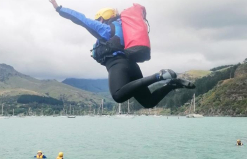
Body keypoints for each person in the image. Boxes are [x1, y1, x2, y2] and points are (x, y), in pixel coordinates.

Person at [49, 0, 196, 108]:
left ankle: (159, 76)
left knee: (118, 95)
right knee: (148, 102)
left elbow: (81, 20)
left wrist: (58, 8)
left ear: (103, 18)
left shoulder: (106, 29)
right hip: (131, 66)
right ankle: (172, 84)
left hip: (117, 65)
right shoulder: (124, 29)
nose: (97, 21)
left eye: (98, 19)